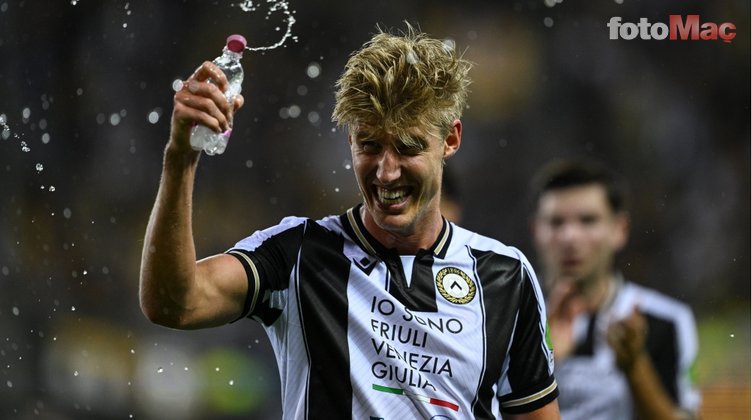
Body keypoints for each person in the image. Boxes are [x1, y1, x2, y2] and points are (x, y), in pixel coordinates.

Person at [139, 24, 560, 419]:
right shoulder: (299, 254)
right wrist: (181, 157)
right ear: (350, 140)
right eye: (370, 145)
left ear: (450, 140)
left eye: (408, 147)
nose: (386, 172)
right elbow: (174, 304)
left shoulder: (506, 276)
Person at [529, 158, 701, 420]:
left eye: (588, 221)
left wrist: (636, 368)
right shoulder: (508, 315)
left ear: (620, 229)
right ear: (536, 231)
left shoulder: (666, 320)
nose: (570, 237)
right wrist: (544, 360)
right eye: (556, 223)